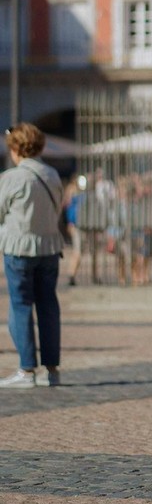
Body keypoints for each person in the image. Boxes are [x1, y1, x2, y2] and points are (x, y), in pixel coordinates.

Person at [0, 123, 64, 388]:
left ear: (16, 149)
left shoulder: (12, 177)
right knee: (48, 306)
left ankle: (27, 369)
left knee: (21, 305)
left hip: (19, 247)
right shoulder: (52, 174)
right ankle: (52, 370)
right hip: (49, 247)